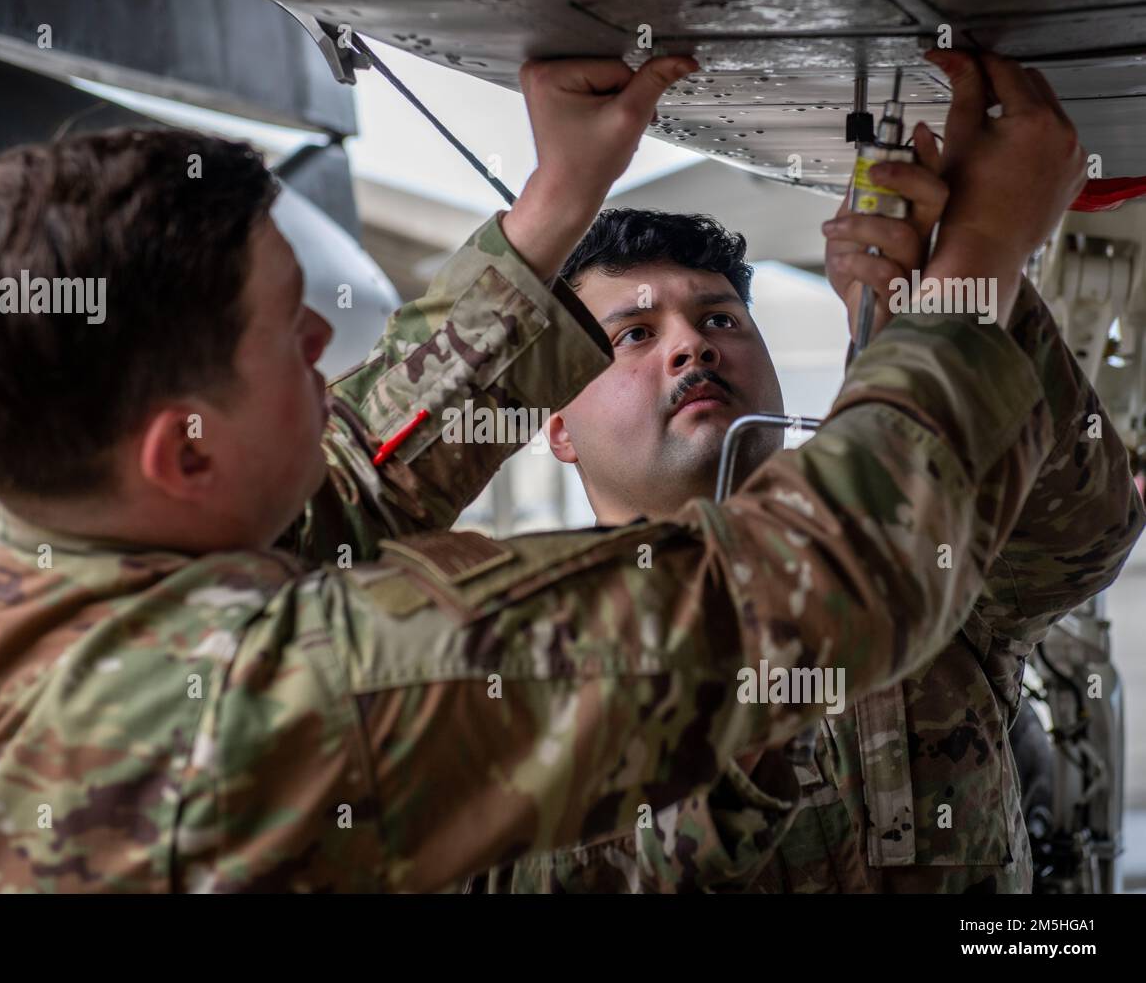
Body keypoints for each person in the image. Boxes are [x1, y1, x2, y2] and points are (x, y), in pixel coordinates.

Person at [0, 52, 1072, 893]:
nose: (330, 344)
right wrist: (978, 269)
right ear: (184, 448)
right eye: (290, 333)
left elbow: (354, 487)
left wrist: (556, 203)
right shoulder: (312, 700)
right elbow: (828, 580)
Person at [477, 52, 1143, 893]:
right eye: (635, 335)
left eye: (719, 316)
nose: (693, 343)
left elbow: (1083, 537)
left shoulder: (910, 527)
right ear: (558, 427)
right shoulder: (521, 656)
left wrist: (952, 292)